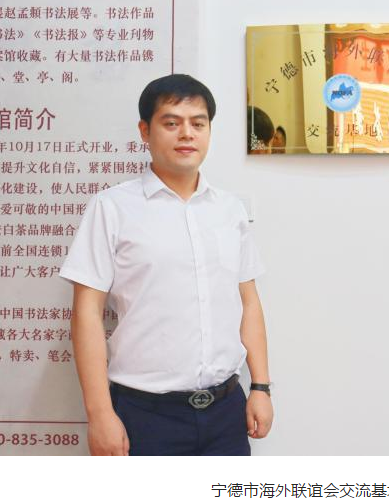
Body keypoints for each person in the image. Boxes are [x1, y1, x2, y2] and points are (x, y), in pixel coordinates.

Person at [60, 74, 273, 456]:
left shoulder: (229, 211)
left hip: (226, 410)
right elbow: (86, 313)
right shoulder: (112, 208)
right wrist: (99, 413)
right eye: (171, 123)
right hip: (145, 414)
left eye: (198, 123)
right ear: (145, 131)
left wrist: (260, 386)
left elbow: (248, 301)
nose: (186, 133)